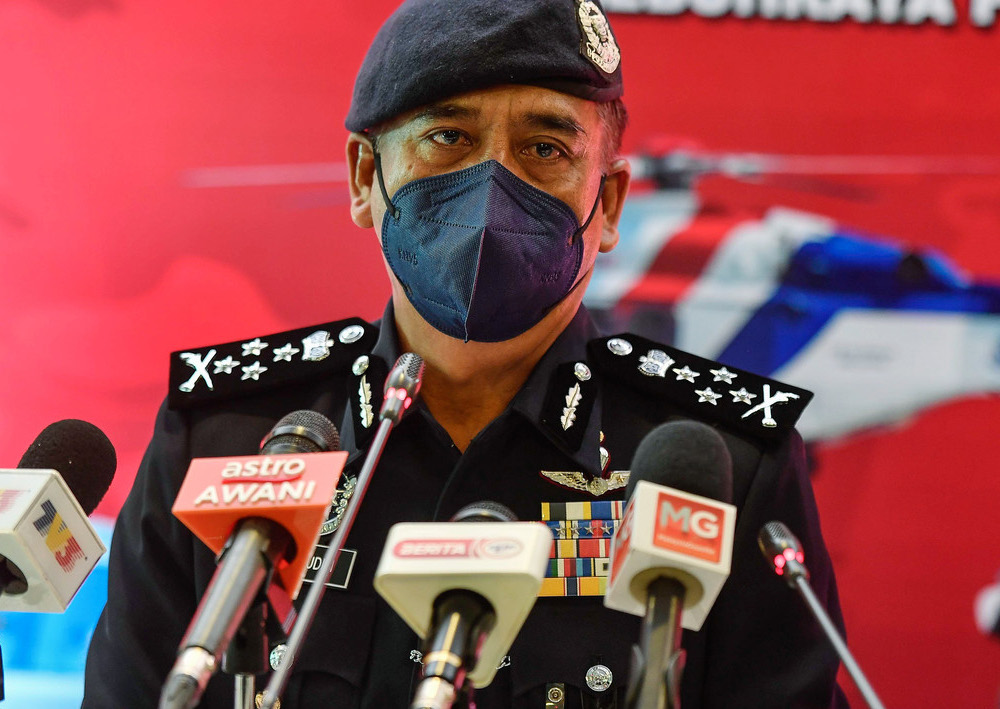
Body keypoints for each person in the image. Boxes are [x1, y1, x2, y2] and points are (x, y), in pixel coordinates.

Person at [83, 1, 848, 707]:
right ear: (363, 178)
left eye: (545, 147)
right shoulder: (224, 441)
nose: (492, 189)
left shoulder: (723, 467)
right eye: (448, 138)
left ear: (608, 205)